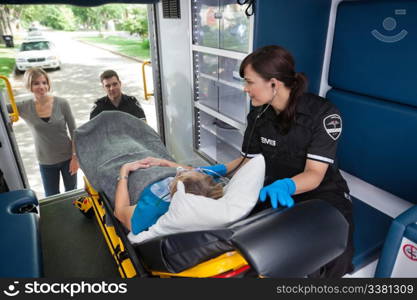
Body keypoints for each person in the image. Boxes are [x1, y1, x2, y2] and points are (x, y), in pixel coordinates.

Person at [199, 45, 354, 278]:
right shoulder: (259, 114)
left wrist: (286, 186)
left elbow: (314, 173)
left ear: (273, 83)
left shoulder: (323, 114)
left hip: (322, 193)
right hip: (274, 190)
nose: (245, 89)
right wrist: (219, 170)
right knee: (243, 241)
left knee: (328, 256)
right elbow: (247, 160)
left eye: (250, 82)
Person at [11, 67, 78, 196]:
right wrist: (10, 118)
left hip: (68, 159)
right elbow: (3, 110)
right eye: (36, 83)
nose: (41, 87)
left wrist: (75, 158)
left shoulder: (62, 103)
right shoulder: (23, 106)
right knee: (51, 197)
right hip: (46, 162)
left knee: (72, 195)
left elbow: (74, 132)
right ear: (29, 85)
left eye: (44, 82)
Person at [114, 157, 223, 235]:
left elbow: (119, 212)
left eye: (180, 174)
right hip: (154, 163)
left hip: (135, 172)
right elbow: (231, 165)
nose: (179, 169)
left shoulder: (151, 209)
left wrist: (124, 171)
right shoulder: (204, 185)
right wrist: (164, 162)